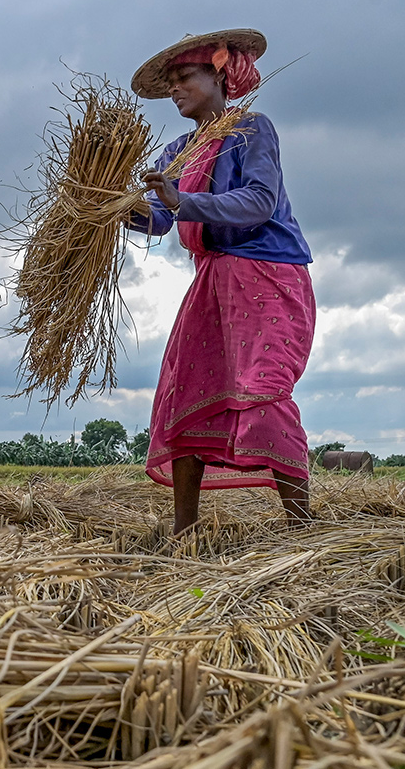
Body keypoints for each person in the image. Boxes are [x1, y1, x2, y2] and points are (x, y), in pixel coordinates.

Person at [128, 29, 314, 534]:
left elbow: (259, 202)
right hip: (211, 282)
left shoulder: (253, 131)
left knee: (263, 389)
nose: (175, 90)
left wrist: (177, 200)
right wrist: (120, 212)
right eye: (170, 83)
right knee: (187, 391)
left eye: (185, 77)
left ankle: (304, 528)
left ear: (219, 73)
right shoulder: (179, 150)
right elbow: (161, 218)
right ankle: (184, 533)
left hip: (267, 275)